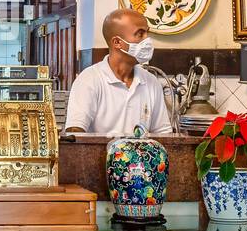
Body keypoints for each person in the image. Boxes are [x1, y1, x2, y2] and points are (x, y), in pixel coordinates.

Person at [64, 8, 172, 136]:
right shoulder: (89, 80)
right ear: (117, 42)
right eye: (140, 34)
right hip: (100, 155)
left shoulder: (151, 81)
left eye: (147, 33)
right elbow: (76, 134)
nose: (147, 40)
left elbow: (163, 134)